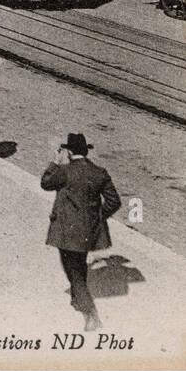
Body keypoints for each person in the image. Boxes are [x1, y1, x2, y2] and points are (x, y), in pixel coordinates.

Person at [41, 133, 121, 331]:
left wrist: (55, 162)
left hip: (67, 232)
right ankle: (78, 299)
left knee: (73, 271)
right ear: (85, 152)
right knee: (79, 265)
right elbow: (114, 202)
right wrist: (97, 217)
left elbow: (45, 183)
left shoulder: (65, 171)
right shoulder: (100, 172)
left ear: (68, 152)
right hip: (88, 233)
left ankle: (91, 315)